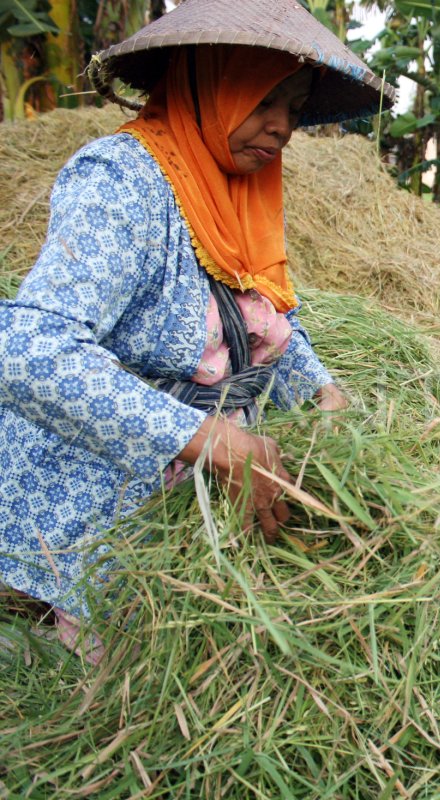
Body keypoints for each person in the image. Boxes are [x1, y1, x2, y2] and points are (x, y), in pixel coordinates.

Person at [0, 0, 394, 661]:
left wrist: (327, 396)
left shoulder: (242, 187)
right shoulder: (122, 179)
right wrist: (206, 438)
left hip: (213, 493)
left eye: (294, 108)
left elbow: (260, 314)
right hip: (108, 501)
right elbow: (31, 350)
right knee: (111, 688)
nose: (282, 128)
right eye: (264, 100)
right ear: (211, 84)